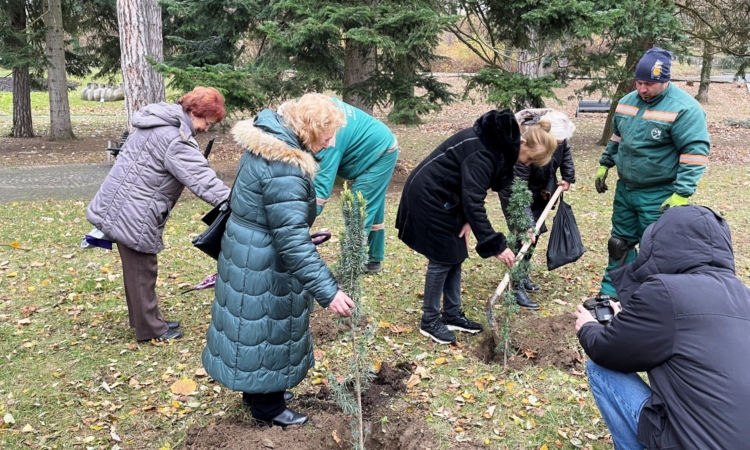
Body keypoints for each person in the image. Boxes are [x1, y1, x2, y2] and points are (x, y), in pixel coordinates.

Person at [201, 93, 355, 429]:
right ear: (310, 131)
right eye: (327, 137)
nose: (329, 145)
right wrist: (330, 292)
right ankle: (268, 408)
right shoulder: (285, 167)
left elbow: (276, 213)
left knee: (247, 325)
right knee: (268, 326)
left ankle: (257, 393)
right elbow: (293, 243)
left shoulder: (266, 142)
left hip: (246, 248)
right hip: (263, 260)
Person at [575, 205, 750, 449]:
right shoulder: (744, 295)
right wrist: (634, 321)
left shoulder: (665, 291)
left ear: (663, 244)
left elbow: (609, 350)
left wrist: (587, 328)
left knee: (600, 369)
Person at [395, 109, 558, 344]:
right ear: (522, 142)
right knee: (442, 257)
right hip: (429, 195)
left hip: (450, 196)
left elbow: (499, 190)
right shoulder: (485, 152)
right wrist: (496, 245)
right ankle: (430, 320)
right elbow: (473, 201)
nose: (528, 163)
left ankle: (451, 314)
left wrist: (525, 224)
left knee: (456, 253)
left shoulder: (500, 147)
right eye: (530, 158)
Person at [86, 86, 230, 342]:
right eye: (207, 121)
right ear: (194, 111)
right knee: (143, 270)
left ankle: (143, 320)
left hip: (122, 204)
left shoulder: (156, 122)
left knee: (136, 270)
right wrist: (234, 202)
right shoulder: (174, 138)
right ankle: (152, 330)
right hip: (134, 211)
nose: (206, 128)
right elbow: (203, 180)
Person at [594, 47, 710, 300]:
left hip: (659, 193)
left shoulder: (685, 109)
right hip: (626, 189)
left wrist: (682, 193)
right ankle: (613, 293)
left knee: (657, 249)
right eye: (639, 82)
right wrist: (605, 164)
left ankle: (654, 300)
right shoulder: (626, 103)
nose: (642, 89)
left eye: (649, 84)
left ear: (665, 81)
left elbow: (695, 153)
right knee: (619, 244)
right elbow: (617, 137)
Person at [309, 98, 398, 274]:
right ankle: (373, 260)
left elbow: (320, 192)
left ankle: (350, 269)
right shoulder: (320, 113)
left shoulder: (328, 139)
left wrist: (296, 225)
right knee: (372, 205)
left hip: (381, 152)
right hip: (373, 147)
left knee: (359, 207)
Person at [498, 109, 576, 310]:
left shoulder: (558, 140)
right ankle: (515, 287)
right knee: (522, 235)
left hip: (541, 189)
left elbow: (565, 153)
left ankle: (522, 275)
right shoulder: (526, 148)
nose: (558, 146)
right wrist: (526, 223)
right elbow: (517, 191)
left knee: (535, 233)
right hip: (516, 193)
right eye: (556, 143)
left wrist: (568, 176)